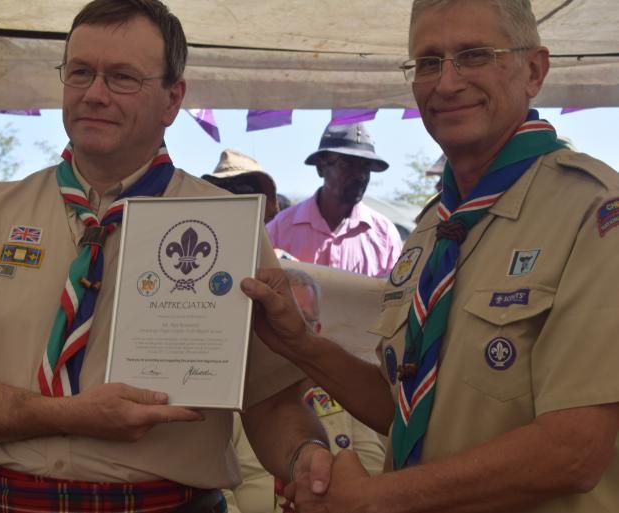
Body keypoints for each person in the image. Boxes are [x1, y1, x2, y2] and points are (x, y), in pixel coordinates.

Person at [0, 2, 333, 512]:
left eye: (122, 77)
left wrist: (305, 457)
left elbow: (270, 399)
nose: (94, 94)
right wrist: (65, 414)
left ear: (173, 99)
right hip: (6, 501)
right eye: (80, 72)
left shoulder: (226, 224)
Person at [241, 0, 619, 512]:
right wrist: (301, 345)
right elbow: (407, 410)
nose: (446, 82)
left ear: (534, 71)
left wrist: (374, 498)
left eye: (474, 55)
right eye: (428, 62)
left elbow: (575, 449)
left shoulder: (594, 212)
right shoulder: (432, 230)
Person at [224, 268, 385, 513]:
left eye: (301, 318)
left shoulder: (347, 396)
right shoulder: (234, 397)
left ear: (316, 330)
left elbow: (374, 474)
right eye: (269, 316)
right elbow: (221, 491)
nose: (280, 324)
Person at [266, 121, 402, 277]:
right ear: (320, 167)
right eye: (347, 164)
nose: (361, 175)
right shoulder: (280, 229)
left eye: (366, 167)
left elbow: (397, 295)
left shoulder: (384, 235)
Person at [202, 148, 280, 223]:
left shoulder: (277, 233)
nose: (231, 196)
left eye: (243, 188)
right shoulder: (203, 232)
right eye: (222, 188)